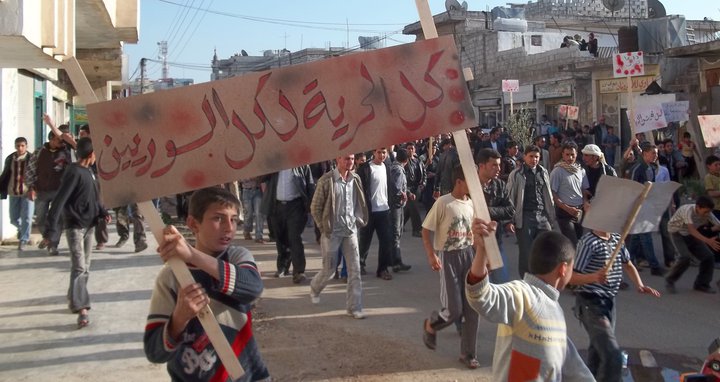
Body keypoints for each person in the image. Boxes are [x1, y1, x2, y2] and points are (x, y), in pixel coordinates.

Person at [143, 187, 270, 381]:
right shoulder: (170, 278)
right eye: (218, 218)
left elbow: (253, 288)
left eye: (234, 219)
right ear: (193, 223)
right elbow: (155, 352)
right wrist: (179, 319)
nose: (229, 227)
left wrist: (192, 254)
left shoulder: (236, 257)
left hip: (248, 375)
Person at [466, 223, 594, 381]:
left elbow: (571, 364)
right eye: (572, 268)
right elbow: (481, 296)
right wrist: (482, 252)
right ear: (563, 269)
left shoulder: (555, 310)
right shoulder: (523, 293)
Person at [571, 223, 660, 381]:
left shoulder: (617, 239)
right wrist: (593, 277)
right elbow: (571, 277)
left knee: (598, 351)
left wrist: (639, 285)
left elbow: (629, 264)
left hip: (610, 301)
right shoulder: (588, 243)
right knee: (612, 354)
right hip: (590, 302)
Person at [42, 137, 110, 328]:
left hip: (89, 226)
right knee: (79, 267)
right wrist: (50, 231)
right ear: (91, 155)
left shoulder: (88, 172)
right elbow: (59, 201)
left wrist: (102, 212)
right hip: (75, 227)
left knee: (86, 266)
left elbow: (93, 197)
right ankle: (82, 308)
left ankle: (75, 298)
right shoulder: (73, 172)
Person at [421, 165, 480, 369]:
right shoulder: (443, 203)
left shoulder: (472, 203)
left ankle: (468, 353)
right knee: (454, 310)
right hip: (448, 257)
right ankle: (431, 324)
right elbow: (425, 230)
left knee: (472, 308)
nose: (473, 185)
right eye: (469, 181)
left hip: (468, 256)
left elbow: (475, 233)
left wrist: (483, 258)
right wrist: (431, 255)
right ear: (458, 182)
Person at [309, 154, 368, 319]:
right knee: (329, 270)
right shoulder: (327, 180)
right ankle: (315, 287)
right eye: (346, 159)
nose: (349, 162)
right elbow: (315, 207)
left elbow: (359, 201)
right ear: (337, 160)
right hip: (332, 233)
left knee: (354, 270)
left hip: (350, 231)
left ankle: (354, 308)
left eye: (351, 158)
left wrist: (358, 220)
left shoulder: (355, 179)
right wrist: (323, 227)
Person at [508, 145, 557, 279]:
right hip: (525, 216)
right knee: (526, 252)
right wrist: (510, 220)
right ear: (524, 157)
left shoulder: (543, 172)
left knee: (545, 249)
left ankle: (542, 279)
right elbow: (510, 198)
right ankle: (526, 281)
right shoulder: (517, 174)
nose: (534, 159)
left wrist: (551, 217)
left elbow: (548, 195)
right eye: (531, 156)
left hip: (543, 216)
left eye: (536, 157)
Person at [261, 166, 315, 283]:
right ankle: (283, 267)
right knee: (281, 239)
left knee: (294, 238)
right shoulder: (274, 164)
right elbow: (259, 178)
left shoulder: (302, 166)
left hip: (296, 206)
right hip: (277, 206)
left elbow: (310, 185)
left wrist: (312, 206)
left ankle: (299, 271)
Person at [25, 129, 73, 256]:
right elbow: (30, 169)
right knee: (40, 218)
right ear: (51, 139)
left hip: (59, 191)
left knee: (57, 219)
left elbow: (71, 170)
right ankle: (47, 237)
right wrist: (30, 187)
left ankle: (53, 244)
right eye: (58, 140)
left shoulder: (65, 153)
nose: (61, 143)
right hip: (42, 190)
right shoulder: (39, 151)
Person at [665, 195, 720, 294]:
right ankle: (670, 280)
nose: (707, 214)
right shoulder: (688, 210)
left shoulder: (708, 214)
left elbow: (718, 225)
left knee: (708, 257)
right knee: (685, 257)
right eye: (705, 211)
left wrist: (713, 230)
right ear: (698, 207)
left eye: (708, 212)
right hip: (677, 233)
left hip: (690, 234)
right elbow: (692, 229)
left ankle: (701, 284)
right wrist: (708, 241)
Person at [476, 148, 515, 283]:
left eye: (499, 164)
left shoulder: (499, 185)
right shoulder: (469, 185)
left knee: (501, 282)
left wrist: (487, 211)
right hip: (472, 243)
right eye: (494, 165)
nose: (498, 168)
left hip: (495, 240)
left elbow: (510, 210)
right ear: (481, 166)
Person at [357, 148, 394, 280]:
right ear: (373, 153)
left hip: (384, 210)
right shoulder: (366, 168)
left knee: (386, 241)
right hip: (369, 211)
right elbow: (359, 190)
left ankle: (382, 269)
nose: (382, 155)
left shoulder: (387, 167)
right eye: (379, 152)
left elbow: (389, 186)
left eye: (384, 152)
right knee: (365, 240)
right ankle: (360, 264)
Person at [628, 144, 665, 276]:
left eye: (656, 153)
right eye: (653, 153)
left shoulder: (652, 168)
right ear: (644, 154)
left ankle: (627, 260)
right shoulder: (637, 168)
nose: (656, 156)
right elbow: (632, 188)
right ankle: (654, 266)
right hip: (638, 206)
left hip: (647, 205)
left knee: (637, 237)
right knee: (645, 235)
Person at [550, 141, 589, 246]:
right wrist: (568, 208)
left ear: (576, 154)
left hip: (579, 212)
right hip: (565, 213)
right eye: (567, 154)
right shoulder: (558, 171)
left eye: (572, 155)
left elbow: (583, 189)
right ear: (562, 154)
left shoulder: (581, 170)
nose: (570, 158)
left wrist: (585, 202)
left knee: (579, 243)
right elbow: (553, 194)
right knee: (572, 244)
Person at [0, 137, 34, 250]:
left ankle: (24, 240)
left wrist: (34, 188)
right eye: (18, 146)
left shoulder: (31, 158)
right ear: (15, 146)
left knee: (27, 218)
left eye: (22, 146)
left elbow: (36, 174)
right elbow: (5, 174)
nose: (20, 148)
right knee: (13, 218)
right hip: (13, 191)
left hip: (27, 192)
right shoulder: (10, 158)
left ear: (26, 146)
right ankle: (21, 229)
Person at [389, 148, 412, 273]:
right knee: (396, 233)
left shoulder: (396, 168)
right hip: (396, 205)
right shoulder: (398, 170)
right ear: (406, 160)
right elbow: (396, 187)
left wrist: (406, 192)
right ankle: (396, 262)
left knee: (397, 232)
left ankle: (395, 260)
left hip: (398, 205)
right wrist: (402, 194)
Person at [403, 142, 426, 237]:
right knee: (414, 208)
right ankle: (417, 229)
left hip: (417, 188)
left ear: (415, 149)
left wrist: (423, 183)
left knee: (410, 208)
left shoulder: (419, 161)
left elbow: (424, 174)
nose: (410, 150)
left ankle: (399, 225)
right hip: (408, 188)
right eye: (408, 148)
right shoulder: (404, 162)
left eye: (412, 148)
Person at [240, 176, 266, 243]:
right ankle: (247, 231)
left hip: (257, 191)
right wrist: (250, 177)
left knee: (259, 213)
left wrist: (258, 177)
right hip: (246, 191)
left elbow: (263, 177)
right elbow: (240, 179)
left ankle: (259, 236)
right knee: (248, 213)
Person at [706, 155, 720, 220]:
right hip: (717, 208)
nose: (718, 167)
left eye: (719, 164)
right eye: (716, 165)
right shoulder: (709, 177)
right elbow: (711, 193)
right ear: (709, 166)